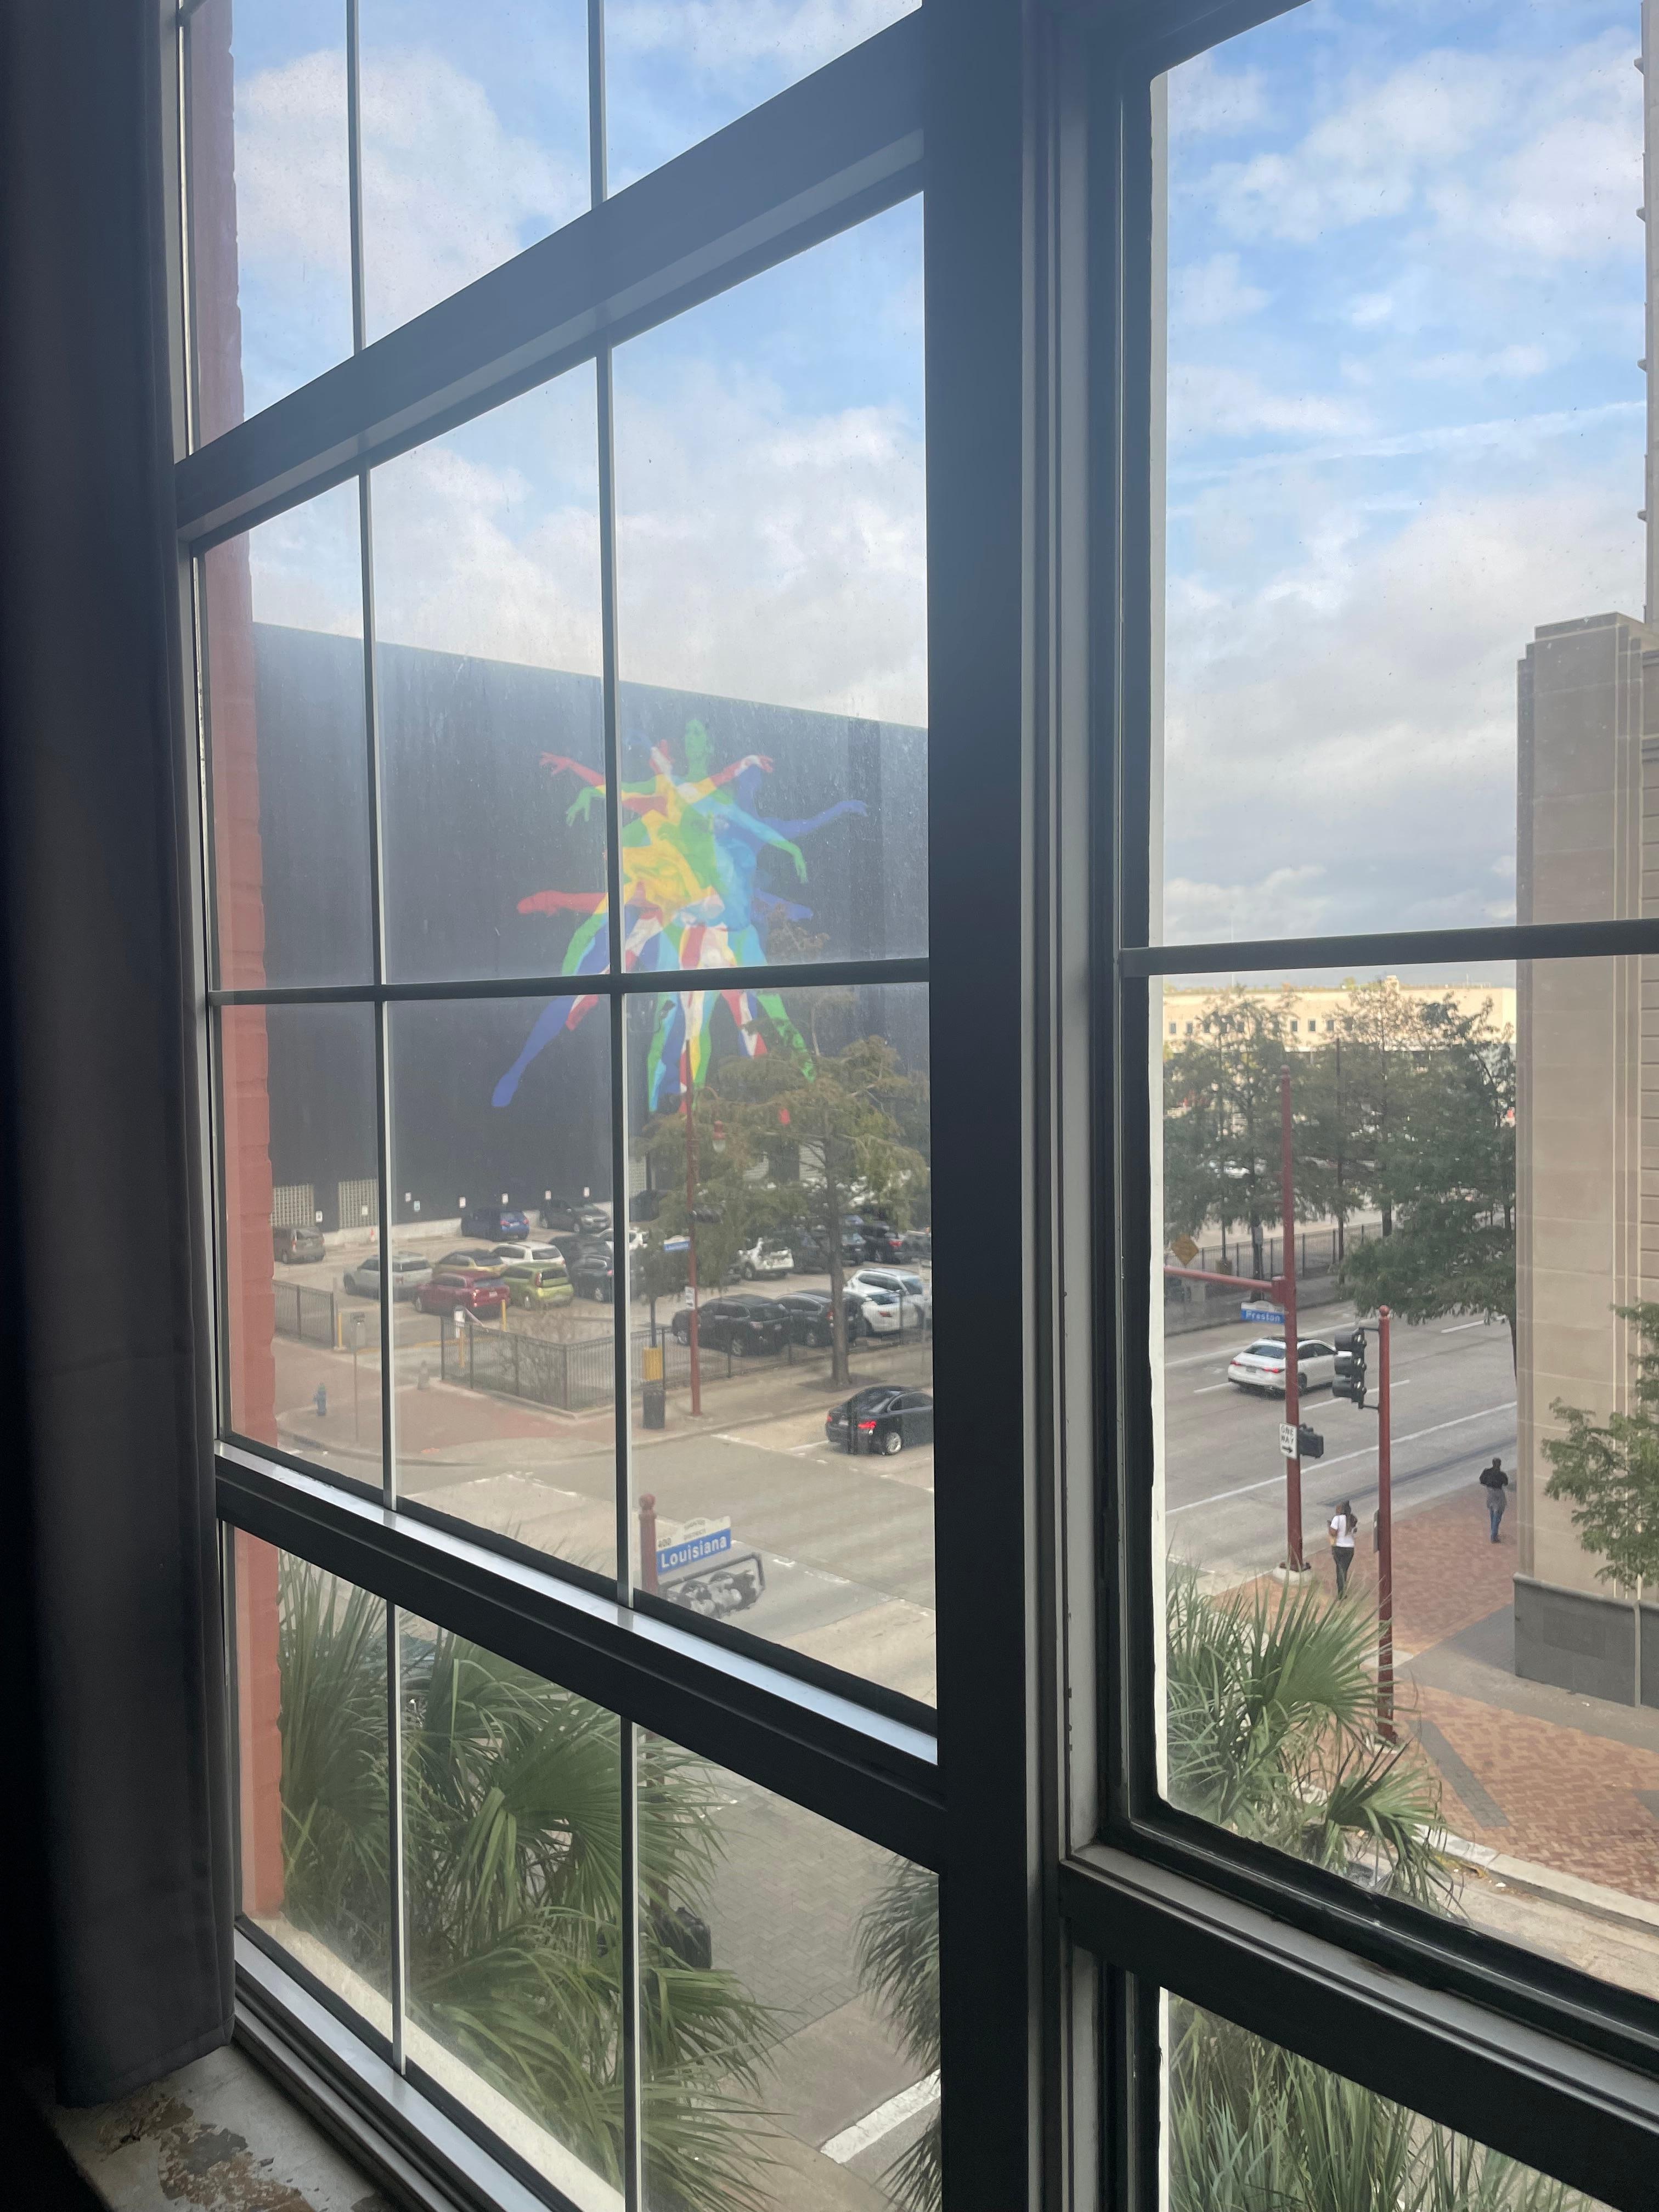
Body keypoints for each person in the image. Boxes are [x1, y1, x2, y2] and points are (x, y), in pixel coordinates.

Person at [1329, 1500, 1358, 1597]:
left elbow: (1333, 1533)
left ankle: (1341, 1592)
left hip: (1339, 1547)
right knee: (1344, 1569)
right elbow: (1355, 1530)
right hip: (1350, 1548)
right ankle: (1342, 1588)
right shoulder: (1352, 1519)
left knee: (1340, 1569)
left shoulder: (1337, 1519)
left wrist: (1329, 1527)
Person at [1480, 1456, 1510, 1542]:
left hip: (1490, 1492)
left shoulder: (1487, 1472)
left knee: (1492, 1510)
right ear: (1500, 1465)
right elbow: (1506, 1483)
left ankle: (1494, 1531)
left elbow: (1482, 1481)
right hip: (1499, 1493)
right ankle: (1494, 1535)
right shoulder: (1502, 1475)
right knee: (1498, 1512)